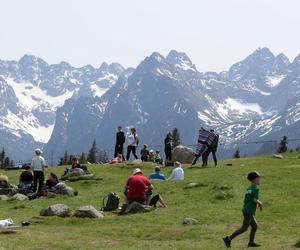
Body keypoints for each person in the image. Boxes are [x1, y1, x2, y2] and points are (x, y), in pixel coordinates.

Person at [223, 171, 263, 248]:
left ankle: (251, 242)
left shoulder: (249, 188)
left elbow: (246, 200)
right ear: (254, 180)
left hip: (247, 210)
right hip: (248, 211)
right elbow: (255, 200)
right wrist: (260, 203)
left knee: (254, 226)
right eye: (258, 178)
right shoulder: (255, 189)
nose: (260, 180)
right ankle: (228, 238)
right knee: (244, 228)